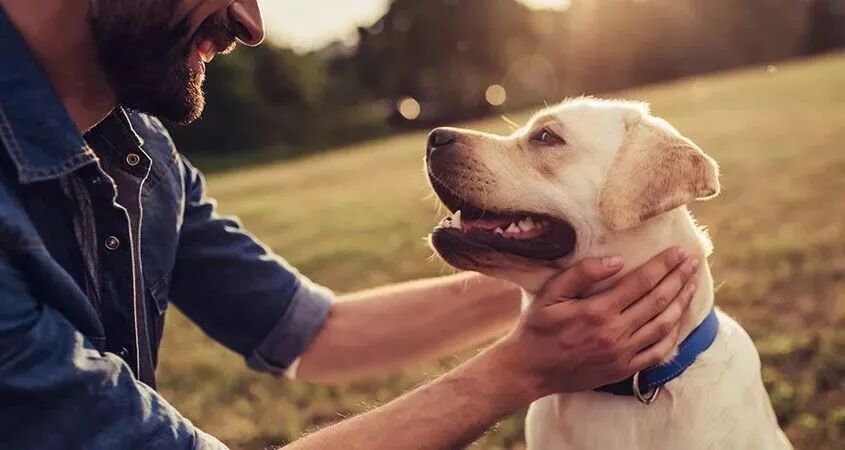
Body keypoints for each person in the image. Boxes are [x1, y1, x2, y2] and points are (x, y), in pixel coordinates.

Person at [0, 1, 699, 449]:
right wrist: (514, 372)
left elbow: (316, 333)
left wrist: (589, 277)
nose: (250, 22)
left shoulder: (142, 153)